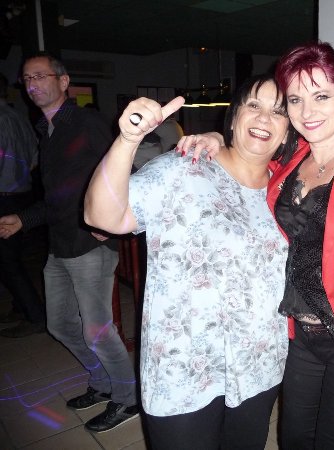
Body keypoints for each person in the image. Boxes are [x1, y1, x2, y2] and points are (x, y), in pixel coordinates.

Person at [182, 42, 334, 449]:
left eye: (321, 96)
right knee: (293, 440)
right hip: (302, 338)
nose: (308, 111)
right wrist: (216, 138)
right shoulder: (292, 161)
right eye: (296, 100)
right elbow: (248, 158)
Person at [83, 74, 294, 450]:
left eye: (278, 112)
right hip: (182, 368)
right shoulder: (184, 168)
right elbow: (101, 217)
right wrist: (127, 140)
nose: (264, 118)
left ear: (287, 131)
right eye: (254, 105)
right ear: (233, 118)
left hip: (258, 365)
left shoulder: (289, 191)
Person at [0, 53, 137, 432]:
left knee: (97, 330)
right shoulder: (45, 133)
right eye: (27, 78)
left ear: (63, 82)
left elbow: (125, 171)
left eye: (41, 76)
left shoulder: (87, 123)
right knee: (59, 324)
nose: (32, 84)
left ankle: (128, 398)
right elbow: (57, 196)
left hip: (90, 243)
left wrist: (112, 224)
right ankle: (103, 382)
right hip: (59, 244)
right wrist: (23, 219)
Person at [0, 72, 46, 337]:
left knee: (8, 261)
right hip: (23, 195)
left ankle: (34, 315)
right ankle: (21, 308)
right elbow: (36, 157)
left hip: (5, 197)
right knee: (12, 258)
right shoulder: (19, 116)